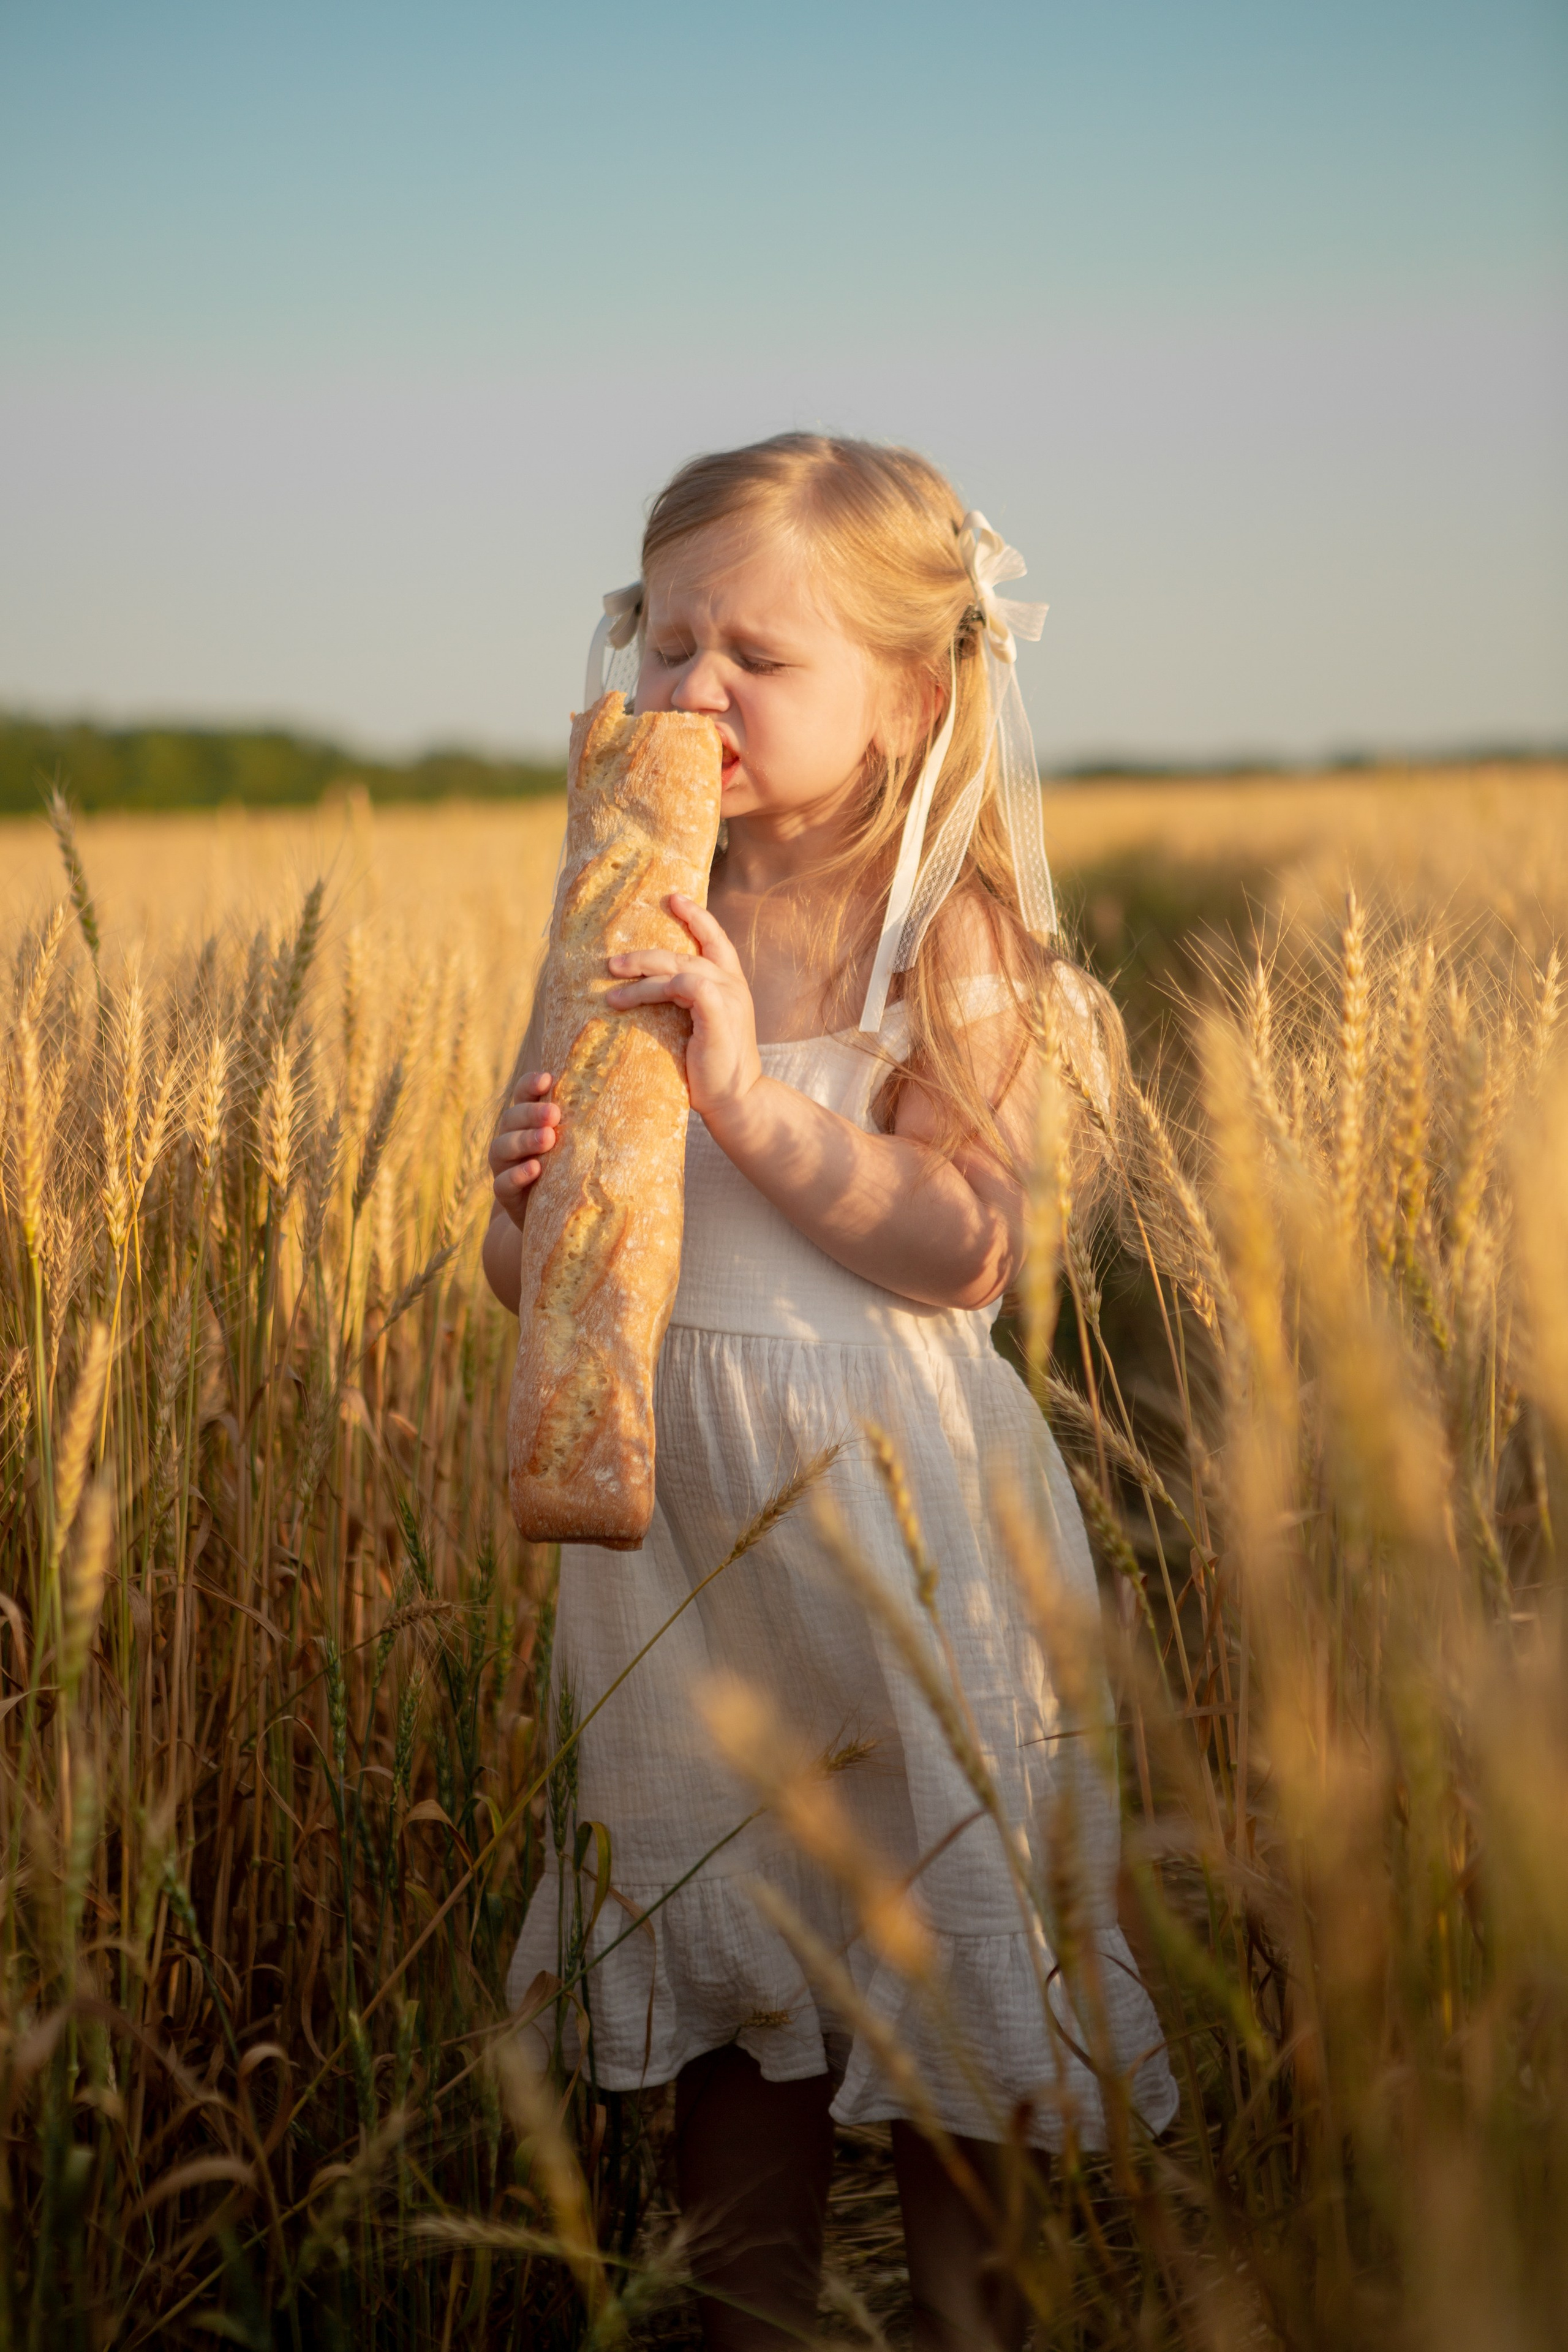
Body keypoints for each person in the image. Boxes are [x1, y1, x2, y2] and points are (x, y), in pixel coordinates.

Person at [483, 434, 1177, 2350]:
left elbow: (967, 1245)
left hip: (900, 1527)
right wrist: (529, 1210)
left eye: (757, 656)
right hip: (683, 1552)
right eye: (667, 643)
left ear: (913, 695)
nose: (693, 689)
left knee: (958, 1990)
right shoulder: (615, 917)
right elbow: (534, 1283)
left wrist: (739, 1093)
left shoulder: (942, 930)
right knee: (736, 1983)